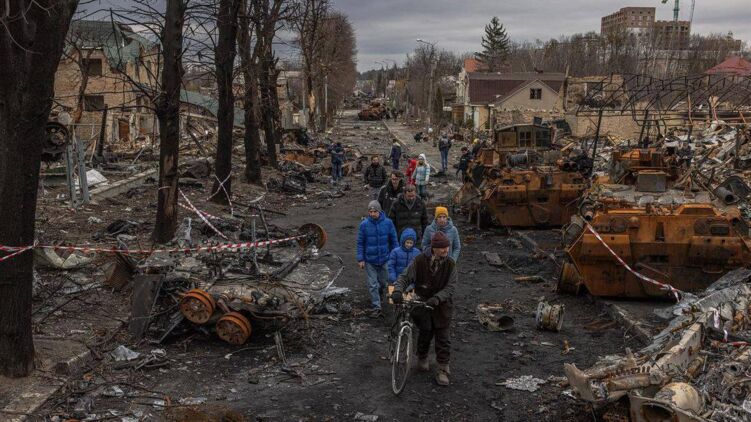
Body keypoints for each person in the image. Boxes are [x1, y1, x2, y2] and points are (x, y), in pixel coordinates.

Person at [391, 231, 456, 386]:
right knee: (425, 332)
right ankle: (422, 357)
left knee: (443, 338)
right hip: (423, 304)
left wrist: (438, 298)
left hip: (442, 306)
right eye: (442, 248)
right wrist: (398, 291)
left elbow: (451, 287)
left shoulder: (450, 264)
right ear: (434, 248)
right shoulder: (419, 261)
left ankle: (442, 369)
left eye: (447, 247)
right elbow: (405, 277)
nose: (446, 250)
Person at [357, 201, 399, 317]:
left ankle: (380, 292)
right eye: (370, 212)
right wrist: (361, 259)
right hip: (370, 260)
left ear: (379, 211)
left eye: (375, 211)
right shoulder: (364, 225)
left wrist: (395, 255)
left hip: (385, 259)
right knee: (372, 284)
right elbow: (360, 243)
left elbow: (394, 240)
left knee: (384, 282)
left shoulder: (388, 223)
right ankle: (377, 307)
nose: (372, 214)